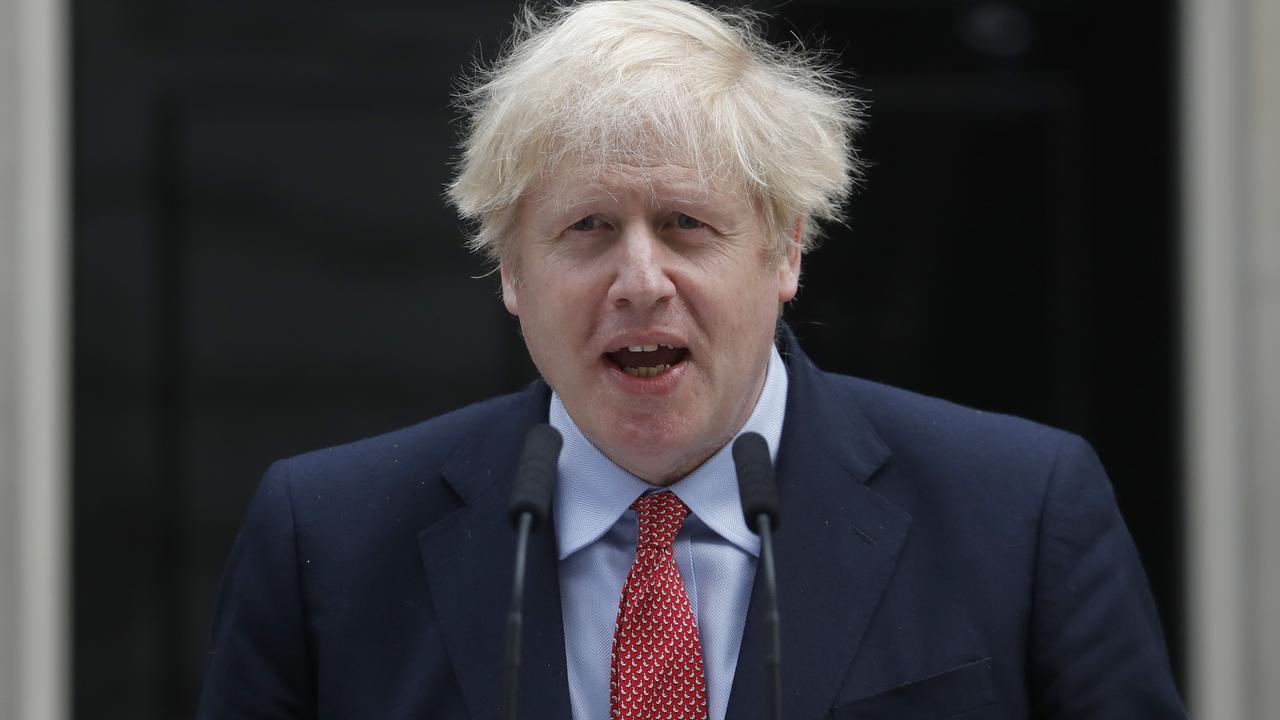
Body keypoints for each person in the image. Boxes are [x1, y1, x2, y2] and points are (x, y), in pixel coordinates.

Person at [196, 1, 1186, 718]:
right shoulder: (324, 540)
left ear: (784, 248)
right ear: (509, 271)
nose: (639, 279)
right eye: (585, 228)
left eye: (684, 225)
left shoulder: (1020, 513)